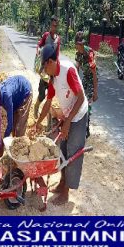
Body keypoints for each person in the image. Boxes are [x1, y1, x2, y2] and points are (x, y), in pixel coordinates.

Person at [34, 45, 88, 205]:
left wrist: (68, 122)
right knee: (62, 151)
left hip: (78, 115)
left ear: (51, 61)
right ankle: (62, 183)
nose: (44, 69)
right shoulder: (53, 78)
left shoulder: (68, 71)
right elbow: (48, 102)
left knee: (72, 154)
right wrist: (37, 122)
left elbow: (81, 98)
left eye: (44, 66)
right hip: (68, 115)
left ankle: (66, 193)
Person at [34, 15, 61, 119]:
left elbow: (57, 54)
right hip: (44, 69)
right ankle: (36, 107)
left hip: (52, 70)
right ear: (50, 25)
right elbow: (39, 45)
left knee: (51, 95)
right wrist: (38, 52)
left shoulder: (58, 39)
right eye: (53, 25)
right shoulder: (46, 35)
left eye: (56, 25)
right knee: (42, 93)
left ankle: (49, 116)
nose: (54, 27)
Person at [75, 31, 98, 138]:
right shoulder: (78, 55)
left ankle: (87, 128)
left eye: (82, 44)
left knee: (87, 104)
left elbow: (94, 74)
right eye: (78, 44)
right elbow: (76, 71)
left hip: (92, 80)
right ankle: (81, 125)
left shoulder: (90, 54)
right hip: (85, 79)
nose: (80, 46)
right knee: (80, 101)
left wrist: (95, 92)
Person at [0, 75, 32, 140]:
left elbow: (10, 124)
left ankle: (19, 144)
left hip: (25, 92)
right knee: (14, 121)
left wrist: (4, 139)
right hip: (16, 95)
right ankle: (14, 140)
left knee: (20, 126)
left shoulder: (6, 96)